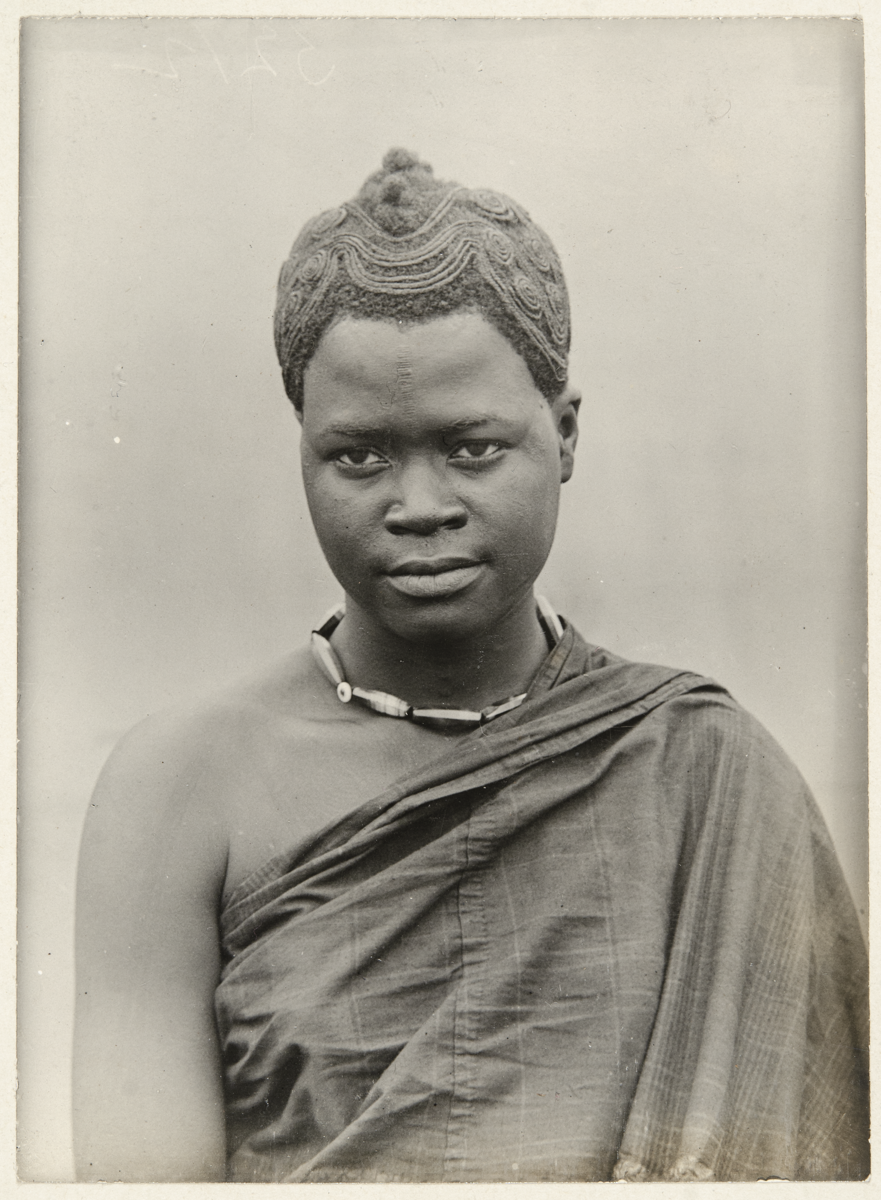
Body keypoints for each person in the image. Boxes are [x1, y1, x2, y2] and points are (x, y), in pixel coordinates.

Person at [72, 149, 869, 1184]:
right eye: (358, 455)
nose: (418, 504)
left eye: (471, 448)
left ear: (564, 435)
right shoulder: (175, 791)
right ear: (303, 452)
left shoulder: (706, 775)